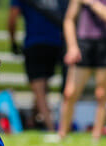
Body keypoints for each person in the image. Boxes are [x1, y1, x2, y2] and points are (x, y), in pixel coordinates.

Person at [58, 0, 106, 142]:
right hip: (84, 44)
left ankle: (96, 136)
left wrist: (92, 3)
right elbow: (69, 20)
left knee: (101, 94)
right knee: (70, 93)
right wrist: (72, 47)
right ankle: (62, 134)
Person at [7, 0, 66, 131]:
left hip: (34, 43)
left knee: (39, 89)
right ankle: (32, 121)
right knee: (43, 86)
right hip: (56, 44)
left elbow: (12, 18)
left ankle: (51, 128)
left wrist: (13, 41)